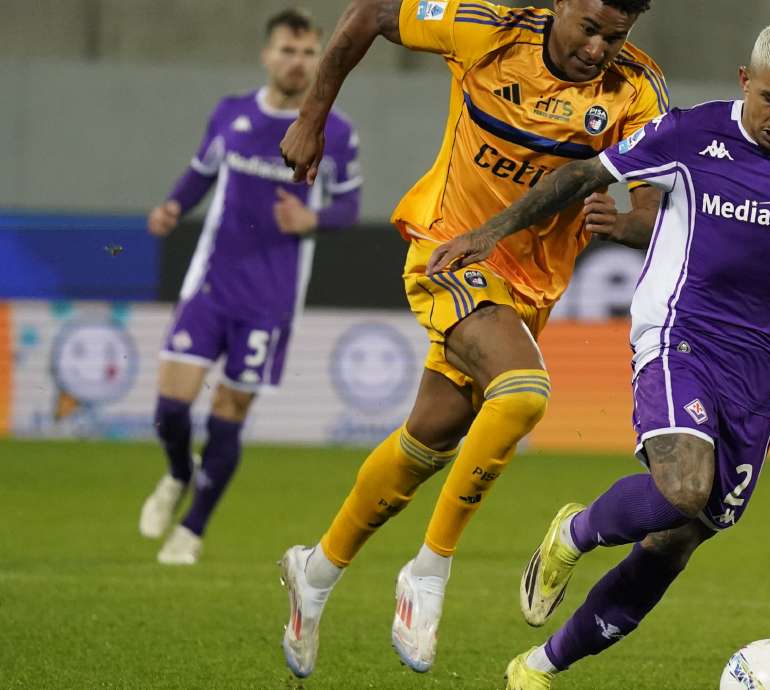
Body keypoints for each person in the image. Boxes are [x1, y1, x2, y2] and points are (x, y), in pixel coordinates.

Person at [425, 22, 770, 689]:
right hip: (679, 336)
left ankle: (540, 667)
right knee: (684, 489)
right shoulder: (690, 133)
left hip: (762, 371)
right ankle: (575, 533)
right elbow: (588, 173)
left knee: (680, 536)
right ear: (744, 81)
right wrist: (491, 233)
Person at [275, 0, 666, 678]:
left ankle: (316, 569)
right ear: (560, 5)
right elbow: (370, 12)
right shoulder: (484, 27)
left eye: (618, 36)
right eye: (591, 29)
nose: (601, 49)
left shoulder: (637, 89)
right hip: (449, 252)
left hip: (527, 292)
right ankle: (428, 571)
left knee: (425, 444)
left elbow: (651, 213)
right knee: (523, 395)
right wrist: (312, 117)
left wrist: (622, 223)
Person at [138, 9, 362, 566]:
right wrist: (172, 204)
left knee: (230, 410)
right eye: (288, 50)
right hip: (211, 284)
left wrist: (313, 220)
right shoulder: (232, 113)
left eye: (309, 52)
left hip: (271, 299)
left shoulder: (335, 131)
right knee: (170, 408)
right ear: (268, 55)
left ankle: (192, 528)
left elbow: (350, 207)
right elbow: (201, 171)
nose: (298, 62)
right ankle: (177, 472)